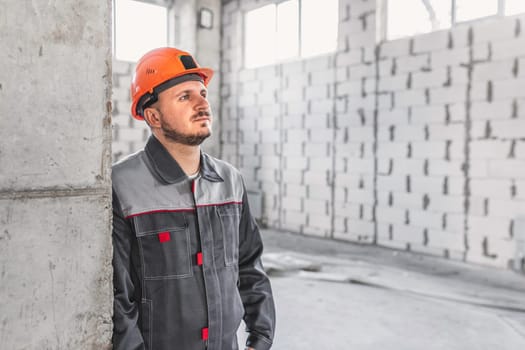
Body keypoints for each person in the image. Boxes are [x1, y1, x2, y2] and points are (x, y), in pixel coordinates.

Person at [111, 47, 276, 350]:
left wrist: (260, 337)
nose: (203, 103)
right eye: (185, 97)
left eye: (202, 93)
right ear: (153, 116)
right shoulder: (122, 184)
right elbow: (119, 297)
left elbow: (250, 266)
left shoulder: (230, 181)